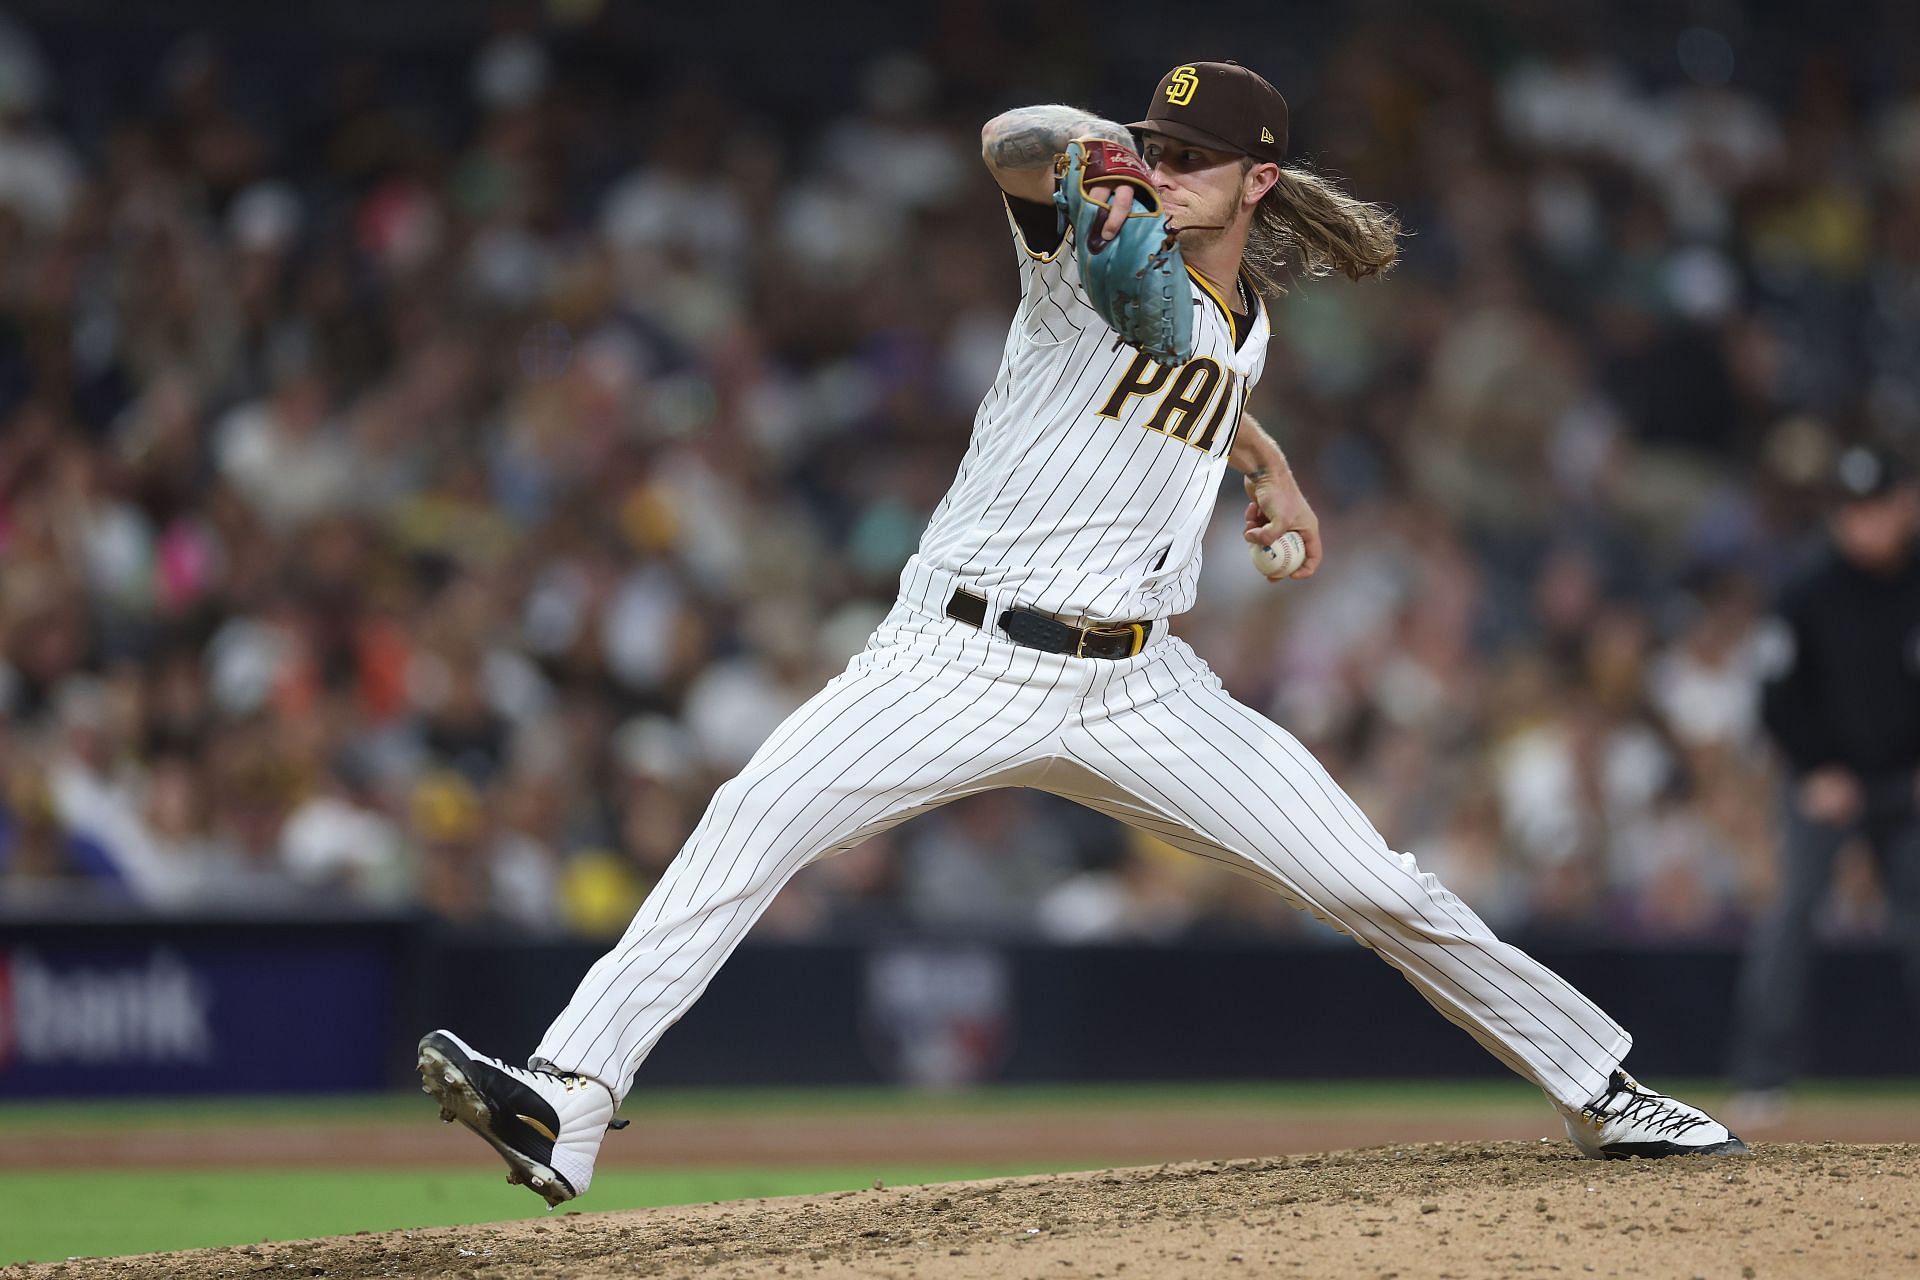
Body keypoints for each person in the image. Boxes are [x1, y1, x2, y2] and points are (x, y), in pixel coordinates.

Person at [418, 61, 1745, 1207]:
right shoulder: (1080, 242)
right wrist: (1093, 156)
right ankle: (567, 1099)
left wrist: (1265, 465)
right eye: (1156, 150)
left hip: (1140, 686)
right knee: (750, 817)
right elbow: (1006, 139)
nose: (1165, 172)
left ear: (1260, 183)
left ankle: (1603, 1089)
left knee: (1376, 883)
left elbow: (1203, 374)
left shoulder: (1249, 325)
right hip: (954, 656)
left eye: (1191, 158)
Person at [1729, 443, 1920, 1125]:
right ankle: (1761, 1075)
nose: (1863, 524)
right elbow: (1776, 698)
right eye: (1851, 511)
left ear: (1906, 504)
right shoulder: (1806, 589)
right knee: (1790, 918)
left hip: (1907, 785)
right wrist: (1817, 768)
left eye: (1875, 508)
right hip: (1824, 785)